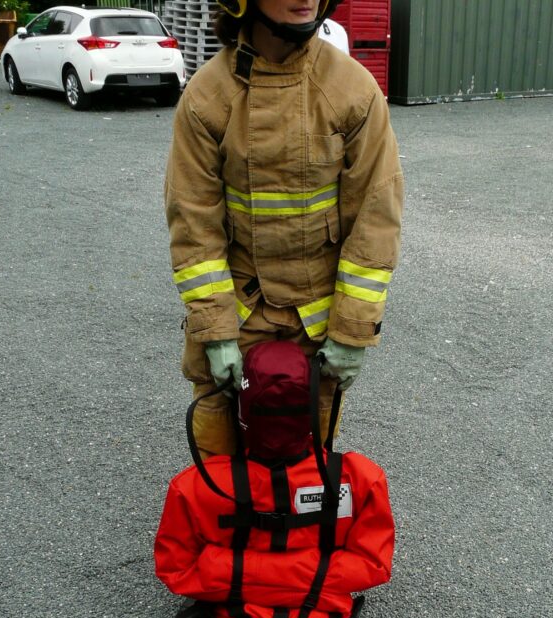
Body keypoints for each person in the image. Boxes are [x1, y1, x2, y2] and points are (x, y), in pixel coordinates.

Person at [155, 340, 396, 618]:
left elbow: (177, 568)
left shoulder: (199, 487)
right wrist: (312, 579)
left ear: (240, 409)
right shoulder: (358, 478)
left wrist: (236, 574)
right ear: (314, 407)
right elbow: (372, 563)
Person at [164, 0, 403, 460]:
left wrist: (351, 333)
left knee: (305, 474)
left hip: (315, 330)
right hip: (236, 317)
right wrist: (215, 332)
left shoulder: (352, 91)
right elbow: (194, 226)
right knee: (222, 473)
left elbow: (375, 221)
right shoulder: (207, 98)